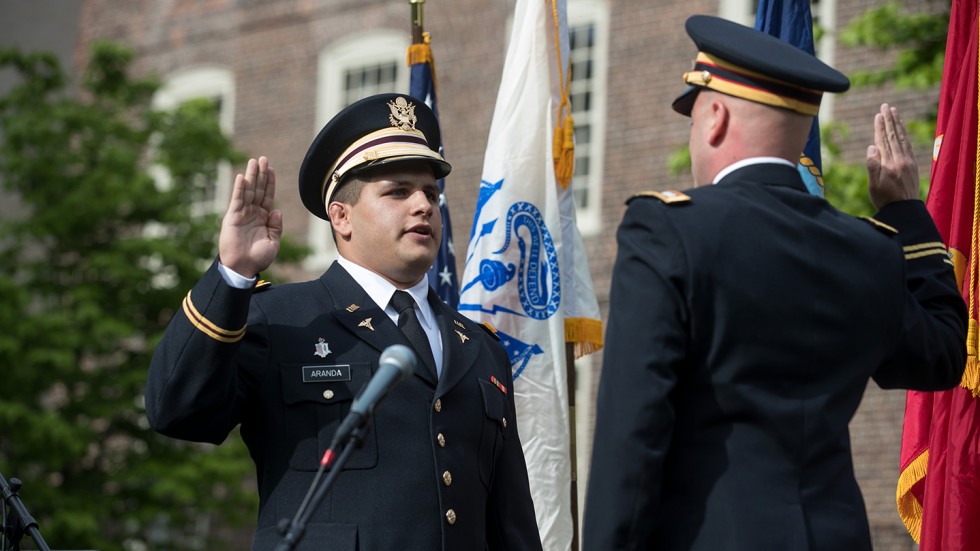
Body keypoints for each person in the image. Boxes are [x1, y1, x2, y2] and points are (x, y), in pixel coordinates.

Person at [582, 15, 967, 551]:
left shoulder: (667, 230)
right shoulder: (869, 249)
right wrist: (907, 212)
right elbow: (945, 354)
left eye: (691, 121)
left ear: (714, 117)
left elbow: (632, 439)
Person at [145, 93, 542, 551]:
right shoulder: (282, 319)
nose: (424, 206)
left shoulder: (479, 347)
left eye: (431, 193)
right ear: (341, 216)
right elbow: (176, 410)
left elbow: (512, 524)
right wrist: (232, 275)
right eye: (398, 191)